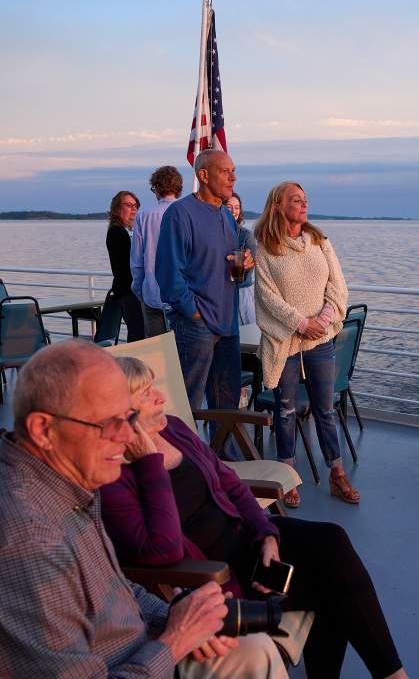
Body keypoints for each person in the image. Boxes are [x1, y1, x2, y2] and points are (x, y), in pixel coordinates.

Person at [100, 355, 409, 679]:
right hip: (212, 576)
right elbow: (161, 550)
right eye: (147, 394)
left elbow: (229, 483)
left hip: (246, 542)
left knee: (331, 542)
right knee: (328, 587)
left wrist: (266, 535)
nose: (161, 397)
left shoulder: (174, 428)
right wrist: (149, 461)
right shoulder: (111, 475)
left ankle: (392, 674)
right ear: (123, 413)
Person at [0, 340, 287, 679]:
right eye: (111, 423)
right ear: (43, 430)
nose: (127, 437)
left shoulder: (65, 482)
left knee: (253, 647)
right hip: (126, 662)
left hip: (139, 641)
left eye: (130, 418)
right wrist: (175, 641)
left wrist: (172, 615)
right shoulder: (28, 540)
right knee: (255, 653)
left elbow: (116, 588)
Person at [253, 181, 356, 507]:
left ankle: (337, 474)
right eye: (295, 200)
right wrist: (301, 323)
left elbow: (337, 285)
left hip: (320, 340)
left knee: (325, 409)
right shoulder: (266, 247)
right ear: (279, 205)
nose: (303, 204)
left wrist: (321, 321)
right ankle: (288, 477)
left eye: (305, 199)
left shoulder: (319, 241)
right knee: (285, 410)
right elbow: (266, 296)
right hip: (285, 341)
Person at [156, 149, 253, 422]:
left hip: (227, 323)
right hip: (195, 327)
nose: (233, 177)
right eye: (226, 171)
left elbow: (226, 267)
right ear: (203, 175)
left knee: (227, 403)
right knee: (187, 405)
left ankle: (223, 460)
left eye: (234, 171)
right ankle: (184, 463)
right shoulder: (180, 214)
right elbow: (167, 275)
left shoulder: (225, 216)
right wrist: (194, 313)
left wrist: (244, 264)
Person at [131, 165, 182, 337]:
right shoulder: (186, 213)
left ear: (157, 188)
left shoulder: (144, 216)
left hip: (152, 294)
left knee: (156, 355)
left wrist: (141, 291)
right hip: (180, 297)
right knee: (181, 354)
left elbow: (137, 261)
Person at [106, 190, 145, 342]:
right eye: (128, 205)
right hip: (129, 292)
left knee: (138, 333)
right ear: (117, 208)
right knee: (138, 335)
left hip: (129, 291)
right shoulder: (117, 232)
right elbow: (127, 266)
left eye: (135, 205)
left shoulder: (126, 231)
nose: (133, 209)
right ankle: (135, 365)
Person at [226, 193, 257, 325]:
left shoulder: (246, 235)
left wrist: (246, 263)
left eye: (237, 207)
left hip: (242, 294)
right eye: (229, 207)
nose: (234, 211)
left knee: (244, 337)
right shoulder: (213, 234)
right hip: (221, 294)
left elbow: (252, 265)